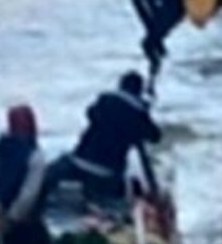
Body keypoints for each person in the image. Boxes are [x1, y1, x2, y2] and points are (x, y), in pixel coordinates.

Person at [45, 71, 161, 200]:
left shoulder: (104, 102)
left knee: (50, 172)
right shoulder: (139, 114)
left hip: (79, 162)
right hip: (108, 173)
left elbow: (90, 113)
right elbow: (155, 137)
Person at [0, 105, 55, 244]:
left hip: (2, 224)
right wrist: (13, 217)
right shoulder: (35, 155)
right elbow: (29, 193)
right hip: (28, 226)